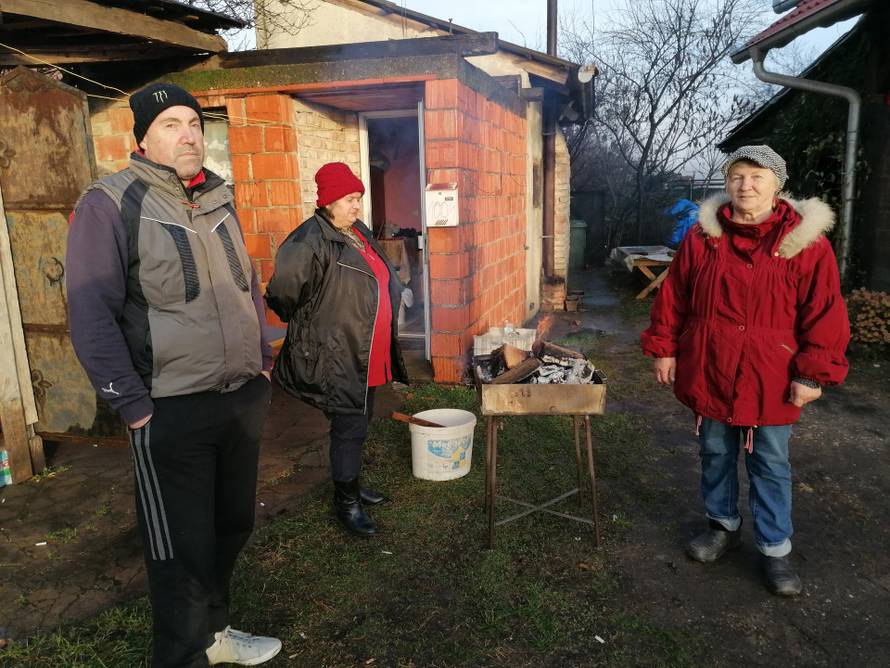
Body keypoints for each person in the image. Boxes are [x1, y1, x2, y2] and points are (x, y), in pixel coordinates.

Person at [67, 83, 281, 666]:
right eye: (170, 124)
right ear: (141, 138)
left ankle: (214, 637)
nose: (188, 134)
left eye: (193, 122)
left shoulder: (218, 198)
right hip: (169, 408)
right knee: (178, 549)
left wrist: (262, 361)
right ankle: (180, 655)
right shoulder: (110, 202)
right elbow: (90, 313)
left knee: (230, 526)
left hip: (238, 397)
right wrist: (132, 404)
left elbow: (247, 287)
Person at [641, 145, 850, 597]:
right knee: (715, 452)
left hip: (770, 373)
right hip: (710, 364)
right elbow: (674, 296)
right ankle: (723, 526)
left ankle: (775, 549)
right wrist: (664, 348)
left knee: (770, 463)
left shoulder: (805, 243)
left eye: (757, 177)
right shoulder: (703, 237)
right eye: (737, 176)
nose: (745, 185)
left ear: (777, 185)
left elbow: (826, 311)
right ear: (726, 182)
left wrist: (812, 373)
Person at [265, 162, 408, 537]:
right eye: (350, 199)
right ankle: (346, 502)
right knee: (348, 427)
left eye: (359, 198)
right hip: (339, 352)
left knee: (359, 423)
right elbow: (282, 295)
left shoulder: (356, 231)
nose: (357, 206)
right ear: (328, 201)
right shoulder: (308, 240)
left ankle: (353, 486)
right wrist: (313, 324)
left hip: (367, 350)